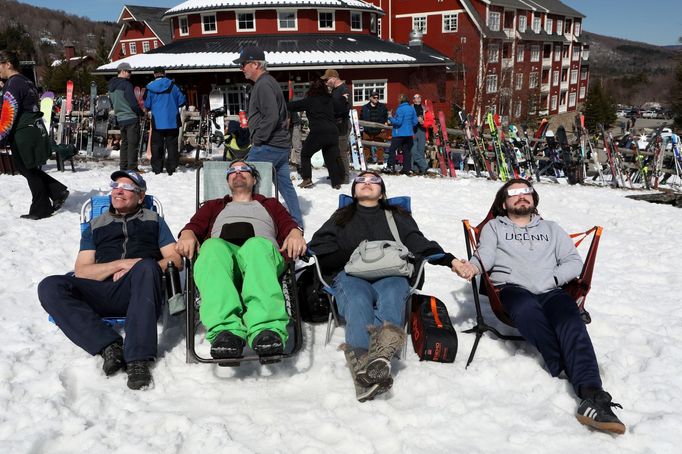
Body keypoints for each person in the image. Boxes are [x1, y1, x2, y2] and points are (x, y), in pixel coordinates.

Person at [452, 178, 625, 435]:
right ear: (503, 203)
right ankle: (565, 366)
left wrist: (553, 279)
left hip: (552, 290)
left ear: (534, 199)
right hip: (512, 290)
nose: (522, 196)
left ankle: (594, 396)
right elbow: (484, 256)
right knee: (526, 311)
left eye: (527, 192)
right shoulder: (494, 229)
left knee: (571, 322)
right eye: (514, 193)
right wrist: (472, 267)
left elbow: (572, 261)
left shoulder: (553, 229)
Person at [309, 171, 462, 402]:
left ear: (382, 191)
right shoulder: (342, 216)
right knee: (358, 299)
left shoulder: (396, 215)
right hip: (351, 273)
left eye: (374, 181)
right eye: (361, 181)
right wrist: (349, 254)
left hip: (392, 272)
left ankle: (367, 368)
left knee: (393, 293)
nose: (367, 184)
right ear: (354, 191)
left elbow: (417, 241)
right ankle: (372, 364)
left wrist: (449, 260)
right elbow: (319, 244)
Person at [38, 170, 181, 390]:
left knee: (147, 266)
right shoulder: (95, 225)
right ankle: (108, 346)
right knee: (50, 286)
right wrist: (120, 265)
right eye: (116, 186)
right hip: (101, 290)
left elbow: (174, 260)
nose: (119, 191)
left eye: (128, 188)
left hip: (141, 290)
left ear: (141, 196)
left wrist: (140, 267)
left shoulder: (154, 221)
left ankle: (138, 360)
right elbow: (83, 271)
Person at [176, 160, 307, 359]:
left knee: (256, 245)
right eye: (232, 171)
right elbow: (194, 226)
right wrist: (187, 234)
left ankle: (267, 330)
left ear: (254, 179)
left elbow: (289, 225)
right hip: (224, 260)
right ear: (227, 180)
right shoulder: (214, 205)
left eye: (244, 170)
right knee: (210, 247)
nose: (238, 173)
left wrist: (295, 234)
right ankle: (226, 332)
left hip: (262, 257)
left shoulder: (270, 204)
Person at [234, 46, 304, 228]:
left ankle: (250, 222)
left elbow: (272, 115)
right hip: (279, 145)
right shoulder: (268, 82)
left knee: (246, 181)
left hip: (267, 146)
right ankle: (296, 222)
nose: (241, 69)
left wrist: (258, 138)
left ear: (255, 64)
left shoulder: (263, 84)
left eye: (243, 64)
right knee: (285, 186)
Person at [0, 50, 69, 220]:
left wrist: (1, 136)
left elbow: (10, 112)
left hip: (23, 131)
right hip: (33, 128)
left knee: (27, 168)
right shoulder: (26, 82)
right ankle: (57, 190)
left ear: (8, 64)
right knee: (29, 167)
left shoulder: (13, 83)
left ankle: (41, 208)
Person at [288, 78, 344, 189]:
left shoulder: (310, 100)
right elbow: (341, 108)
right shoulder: (331, 99)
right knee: (330, 157)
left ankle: (307, 179)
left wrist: (280, 104)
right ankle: (336, 182)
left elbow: (293, 106)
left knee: (305, 154)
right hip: (333, 131)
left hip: (318, 132)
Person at [143, 66, 186, 175]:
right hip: (172, 120)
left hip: (157, 121)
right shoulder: (174, 86)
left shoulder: (149, 88)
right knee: (172, 145)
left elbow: (147, 104)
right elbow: (182, 101)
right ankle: (171, 168)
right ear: (164, 73)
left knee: (156, 145)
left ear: (154, 74)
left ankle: (157, 168)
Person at [108, 62, 144, 172]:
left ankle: (123, 167)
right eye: (129, 71)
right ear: (123, 71)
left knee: (124, 143)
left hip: (120, 117)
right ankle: (132, 168)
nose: (130, 74)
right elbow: (133, 103)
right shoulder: (126, 84)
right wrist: (141, 112)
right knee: (133, 144)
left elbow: (112, 102)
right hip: (131, 117)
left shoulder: (110, 85)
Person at [321, 69, 351, 181]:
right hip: (334, 124)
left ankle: (345, 176)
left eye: (327, 79)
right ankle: (337, 172)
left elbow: (345, 108)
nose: (326, 82)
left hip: (342, 124)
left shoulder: (344, 89)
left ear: (334, 78)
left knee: (342, 151)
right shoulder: (334, 90)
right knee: (334, 150)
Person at [384, 94, 418, 175]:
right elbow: (415, 122)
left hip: (399, 133)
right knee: (406, 151)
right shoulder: (411, 108)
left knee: (392, 149)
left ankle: (391, 167)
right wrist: (409, 126)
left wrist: (390, 117)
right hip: (409, 134)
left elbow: (398, 122)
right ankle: (407, 168)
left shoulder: (400, 109)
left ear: (401, 100)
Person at [359, 90, 388, 165]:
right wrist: (363, 126)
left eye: (377, 97)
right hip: (368, 130)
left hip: (379, 130)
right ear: (370, 98)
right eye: (374, 97)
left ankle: (380, 161)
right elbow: (361, 117)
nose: (376, 99)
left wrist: (384, 125)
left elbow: (385, 117)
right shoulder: (365, 107)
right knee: (366, 146)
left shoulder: (382, 107)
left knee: (380, 146)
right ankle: (367, 159)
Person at [410, 94, 429, 174]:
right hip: (412, 130)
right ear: (413, 100)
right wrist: (414, 121)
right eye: (416, 97)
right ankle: (417, 167)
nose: (418, 99)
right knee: (413, 150)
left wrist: (423, 122)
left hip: (422, 130)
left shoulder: (425, 108)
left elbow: (430, 120)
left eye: (419, 97)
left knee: (421, 149)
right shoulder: (410, 108)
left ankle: (421, 168)